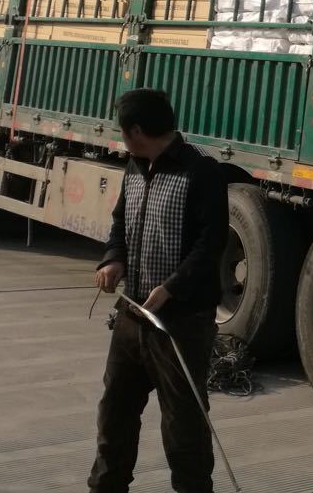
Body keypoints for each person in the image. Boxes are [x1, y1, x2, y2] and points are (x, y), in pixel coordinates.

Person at [88, 88, 229, 493]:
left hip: (181, 325)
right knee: (114, 416)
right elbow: (120, 223)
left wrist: (170, 289)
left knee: (184, 427)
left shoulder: (201, 171)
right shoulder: (134, 167)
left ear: (136, 131)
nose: (122, 140)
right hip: (132, 316)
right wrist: (113, 259)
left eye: (122, 132)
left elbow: (211, 245)